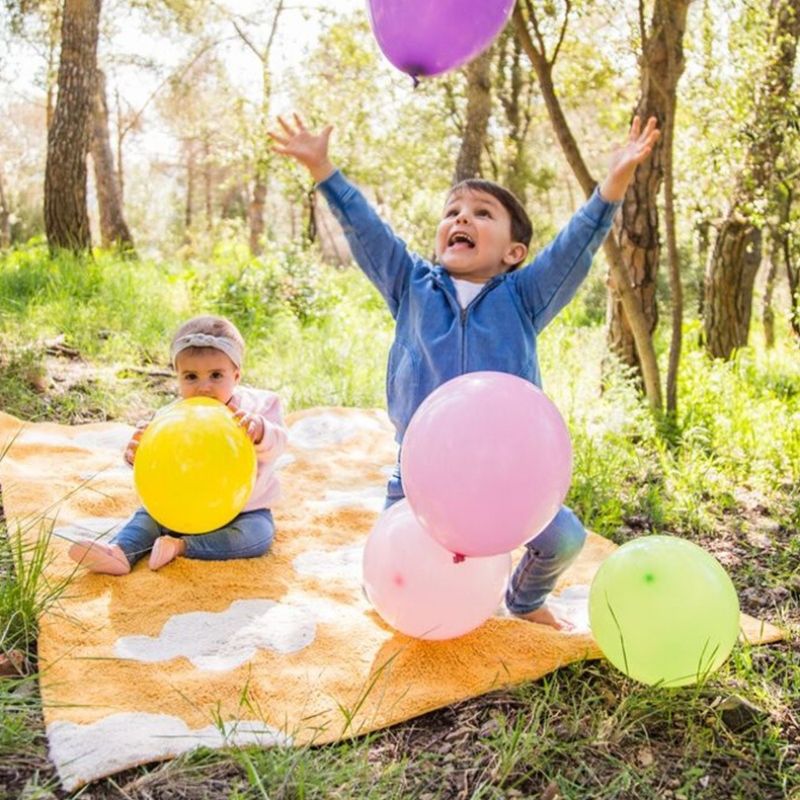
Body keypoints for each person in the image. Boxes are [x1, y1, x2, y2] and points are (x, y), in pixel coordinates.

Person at [271, 112, 658, 629]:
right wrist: (324, 171)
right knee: (389, 575)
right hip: (421, 472)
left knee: (564, 539)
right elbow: (366, 230)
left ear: (514, 252)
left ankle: (522, 602)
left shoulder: (524, 296)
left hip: (506, 473)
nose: (461, 219)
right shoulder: (410, 284)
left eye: (481, 213)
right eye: (452, 211)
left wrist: (611, 187)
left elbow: (575, 247)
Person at [68, 315, 288, 574]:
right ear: (178, 377)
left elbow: (280, 444)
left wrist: (261, 431)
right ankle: (121, 551)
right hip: (178, 511)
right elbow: (156, 467)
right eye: (191, 376)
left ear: (236, 375)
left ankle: (182, 546)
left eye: (216, 375)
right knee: (146, 517)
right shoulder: (171, 417)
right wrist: (135, 456)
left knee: (258, 536)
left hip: (243, 511)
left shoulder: (257, 408)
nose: (204, 387)